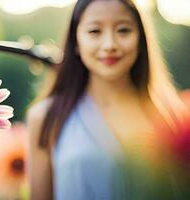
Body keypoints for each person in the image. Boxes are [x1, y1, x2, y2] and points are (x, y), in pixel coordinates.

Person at [26, 0, 190, 199]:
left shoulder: (171, 116)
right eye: (95, 31)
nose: (110, 45)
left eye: (123, 30)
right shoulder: (46, 117)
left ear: (141, 39)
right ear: (75, 42)